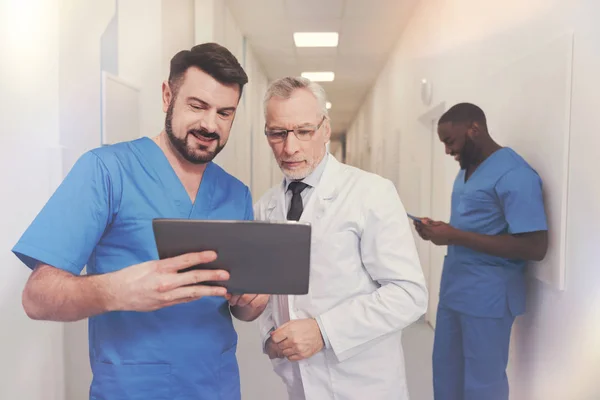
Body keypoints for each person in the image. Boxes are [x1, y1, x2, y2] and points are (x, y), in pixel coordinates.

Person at [12, 43, 268, 400]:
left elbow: (240, 309)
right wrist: (116, 290)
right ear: (167, 96)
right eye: (197, 106)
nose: (210, 124)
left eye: (225, 113)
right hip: (131, 390)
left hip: (217, 386)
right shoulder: (106, 171)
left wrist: (251, 300)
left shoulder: (235, 193)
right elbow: (36, 298)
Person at [254, 76, 428, 399]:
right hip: (300, 384)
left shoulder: (371, 193)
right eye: (278, 133)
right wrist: (268, 336)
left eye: (304, 131)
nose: (290, 147)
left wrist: (324, 331)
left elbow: (409, 295)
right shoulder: (264, 207)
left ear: (325, 129)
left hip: (363, 384)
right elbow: (267, 292)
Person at [414, 103, 549, 400]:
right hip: (454, 292)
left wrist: (455, 236)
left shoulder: (515, 174)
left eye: (450, 141)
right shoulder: (467, 171)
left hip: (488, 297)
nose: (448, 151)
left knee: (482, 384)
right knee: (446, 375)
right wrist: (442, 231)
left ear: (474, 129)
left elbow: (535, 246)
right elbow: (474, 227)